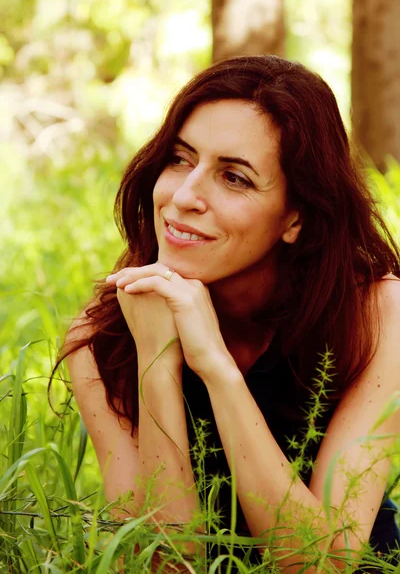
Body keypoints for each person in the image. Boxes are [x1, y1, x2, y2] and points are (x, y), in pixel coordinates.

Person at [60, 55, 400, 572]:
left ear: (295, 217)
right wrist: (157, 358)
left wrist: (215, 369)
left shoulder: (378, 316)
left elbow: (323, 565)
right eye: (179, 158)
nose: (185, 195)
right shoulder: (103, 336)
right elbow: (163, 563)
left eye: (234, 178)